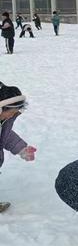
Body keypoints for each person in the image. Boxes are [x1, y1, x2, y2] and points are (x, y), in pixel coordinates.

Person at [0, 82, 37, 212]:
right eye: (10, 112)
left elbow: (5, 135)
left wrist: (22, 149)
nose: (11, 116)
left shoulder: (3, 120)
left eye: (15, 113)